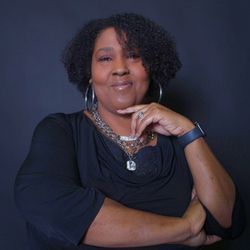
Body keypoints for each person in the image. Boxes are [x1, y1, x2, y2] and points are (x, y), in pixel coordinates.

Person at [14, 13, 245, 249]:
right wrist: (185, 228)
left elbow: (227, 224)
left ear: (151, 67)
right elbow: (48, 206)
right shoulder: (61, 131)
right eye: (105, 58)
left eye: (133, 56)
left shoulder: (180, 139)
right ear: (89, 74)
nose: (120, 69)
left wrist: (188, 131)